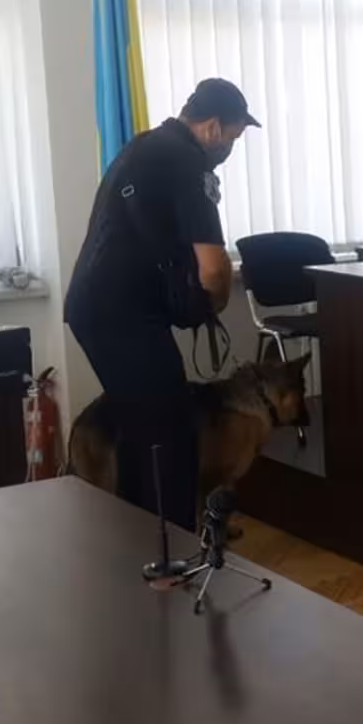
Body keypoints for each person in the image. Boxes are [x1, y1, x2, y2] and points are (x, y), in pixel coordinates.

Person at [65, 78, 259, 531]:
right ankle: (172, 548)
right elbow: (214, 269)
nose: (229, 149)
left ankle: (136, 542)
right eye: (232, 138)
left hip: (95, 307)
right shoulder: (188, 164)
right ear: (213, 127)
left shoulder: (143, 148)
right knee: (170, 432)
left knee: (142, 428)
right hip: (122, 315)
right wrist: (212, 304)